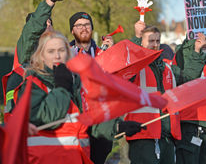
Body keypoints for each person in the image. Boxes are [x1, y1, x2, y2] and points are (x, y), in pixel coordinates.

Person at [15, 30, 142, 163]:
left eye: (61, 51)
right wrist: (62, 88)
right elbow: (45, 117)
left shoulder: (77, 81)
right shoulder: (32, 84)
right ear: (41, 56)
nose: (57, 56)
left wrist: (116, 127)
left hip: (78, 157)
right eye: (51, 51)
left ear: (68, 53)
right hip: (46, 158)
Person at [2, 0, 67, 121]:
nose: (48, 26)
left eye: (50, 23)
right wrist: (50, 0)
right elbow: (33, 28)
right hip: (23, 123)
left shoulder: (57, 54)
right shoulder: (27, 49)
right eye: (45, 23)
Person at [125, 26, 181, 164]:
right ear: (142, 42)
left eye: (157, 40)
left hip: (165, 132)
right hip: (143, 131)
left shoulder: (166, 68)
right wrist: (136, 39)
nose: (155, 44)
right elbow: (128, 69)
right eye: (150, 40)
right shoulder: (136, 65)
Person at [68, 11, 115, 164]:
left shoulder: (103, 53)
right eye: (79, 25)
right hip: (76, 119)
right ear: (72, 30)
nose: (84, 28)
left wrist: (114, 54)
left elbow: (118, 81)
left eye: (87, 24)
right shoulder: (64, 53)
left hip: (100, 121)